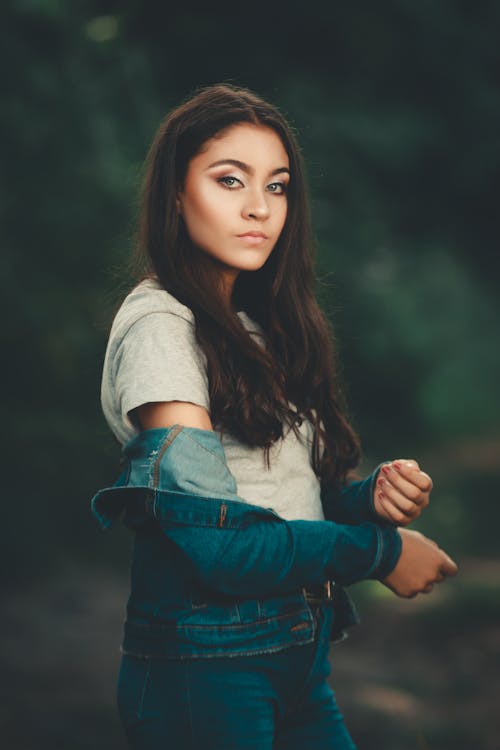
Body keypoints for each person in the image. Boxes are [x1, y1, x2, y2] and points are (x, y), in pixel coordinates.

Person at [91, 82, 458, 749]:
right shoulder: (161, 328)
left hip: (296, 661)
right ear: (176, 193)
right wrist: (381, 552)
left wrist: (367, 501)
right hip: (204, 673)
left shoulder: (255, 328)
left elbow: (276, 509)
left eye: (278, 186)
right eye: (230, 181)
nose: (259, 207)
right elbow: (222, 549)